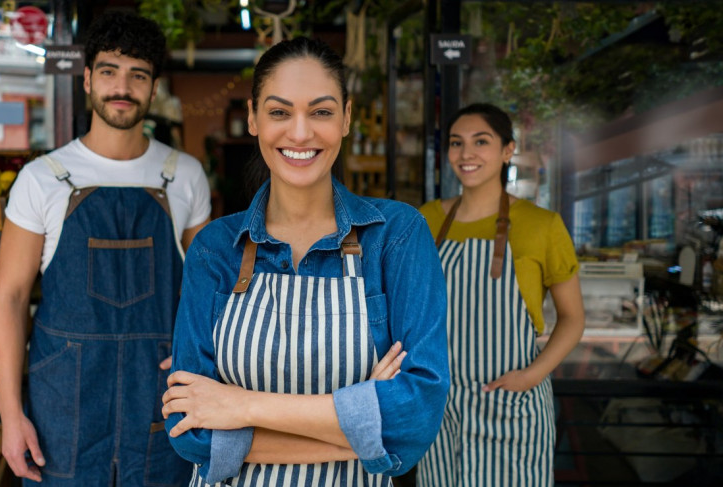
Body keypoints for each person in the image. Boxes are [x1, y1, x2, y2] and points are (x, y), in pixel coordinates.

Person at [160, 36, 450, 487]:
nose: (300, 133)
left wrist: (242, 406)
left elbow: (414, 418)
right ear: (253, 119)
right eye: (279, 112)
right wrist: (359, 432)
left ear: (347, 118)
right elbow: (192, 432)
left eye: (321, 111)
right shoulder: (215, 248)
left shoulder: (397, 236)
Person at [0, 11, 211, 486]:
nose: (122, 87)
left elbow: (205, 293)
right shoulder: (42, 179)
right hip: (64, 402)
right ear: (88, 79)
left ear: (154, 88)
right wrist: (11, 415)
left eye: (138, 75)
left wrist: (200, 356)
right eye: (109, 71)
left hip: (157, 393)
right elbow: (9, 298)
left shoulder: (185, 175)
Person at [417, 103, 585, 487]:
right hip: (442, 408)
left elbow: (573, 319)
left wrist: (530, 377)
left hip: (512, 406)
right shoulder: (426, 219)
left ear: (508, 150)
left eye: (481, 141)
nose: (466, 154)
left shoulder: (542, 225)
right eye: (457, 144)